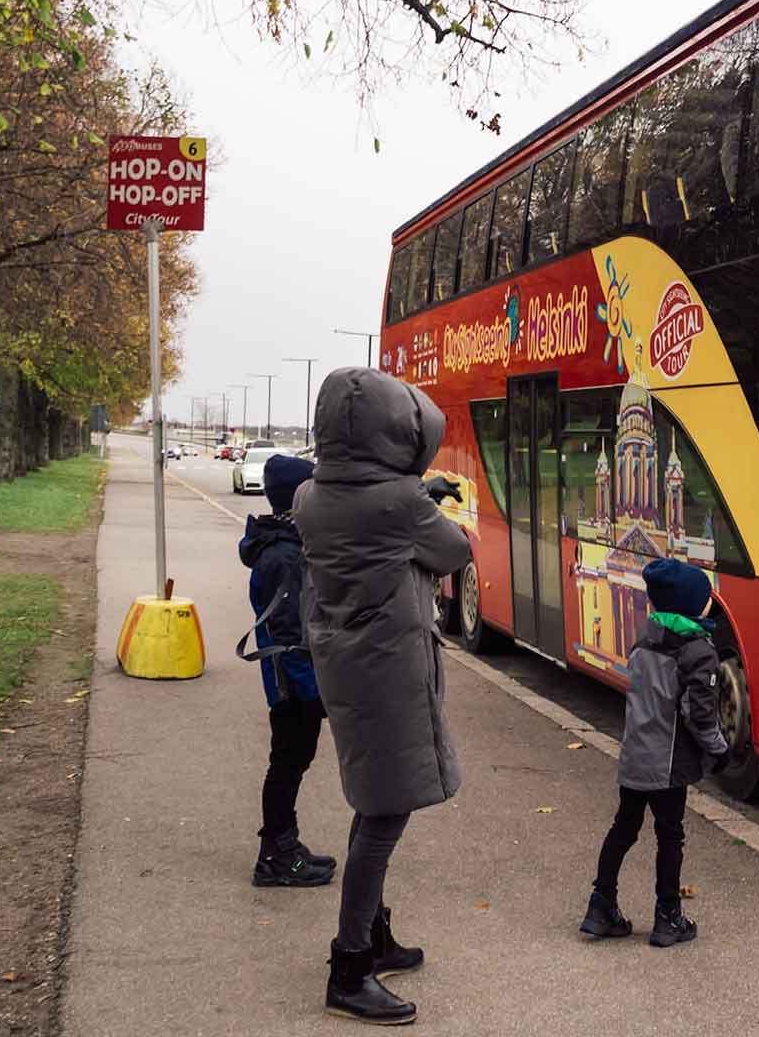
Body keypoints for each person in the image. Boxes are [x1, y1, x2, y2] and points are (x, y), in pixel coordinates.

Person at [292, 368, 472, 1026]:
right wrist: (426, 499)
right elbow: (452, 551)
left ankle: (375, 935)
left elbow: (374, 509)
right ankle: (349, 968)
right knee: (384, 814)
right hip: (387, 674)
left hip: (348, 665)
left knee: (374, 801)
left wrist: (414, 493)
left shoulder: (312, 494)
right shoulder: (399, 505)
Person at [579, 558, 730, 948]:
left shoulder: (644, 640)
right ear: (692, 605)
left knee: (623, 829)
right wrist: (720, 751)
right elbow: (699, 715)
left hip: (634, 755)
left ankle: (600, 906)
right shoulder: (698, 653)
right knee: (670, 837)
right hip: (668, 763)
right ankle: (668, 917)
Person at [238, 454, 336, 889]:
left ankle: (284, 847)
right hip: (293, 684)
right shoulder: (283, 556)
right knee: (287, 764)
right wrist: (314, 692)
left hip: (292, 679)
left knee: (291, 762)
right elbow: (291, 633)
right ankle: (277, 857)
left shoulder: (283, 545)